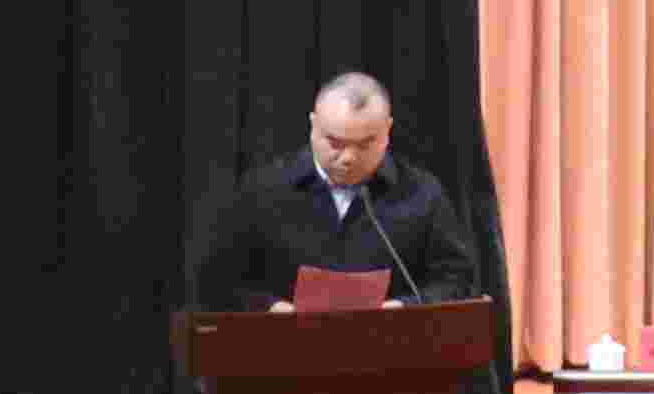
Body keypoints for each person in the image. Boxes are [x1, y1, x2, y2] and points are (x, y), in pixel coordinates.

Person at [202, 71, 473, 308]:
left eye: (365, 144)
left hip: (390, 343)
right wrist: (271, 308)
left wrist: (402, 308)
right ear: (313, 126)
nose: (348, 158)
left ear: (388, 130)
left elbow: (456, 279)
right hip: (283, 343)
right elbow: (219, 280)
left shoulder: (422, 194)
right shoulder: (262, 190)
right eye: (334, 142)